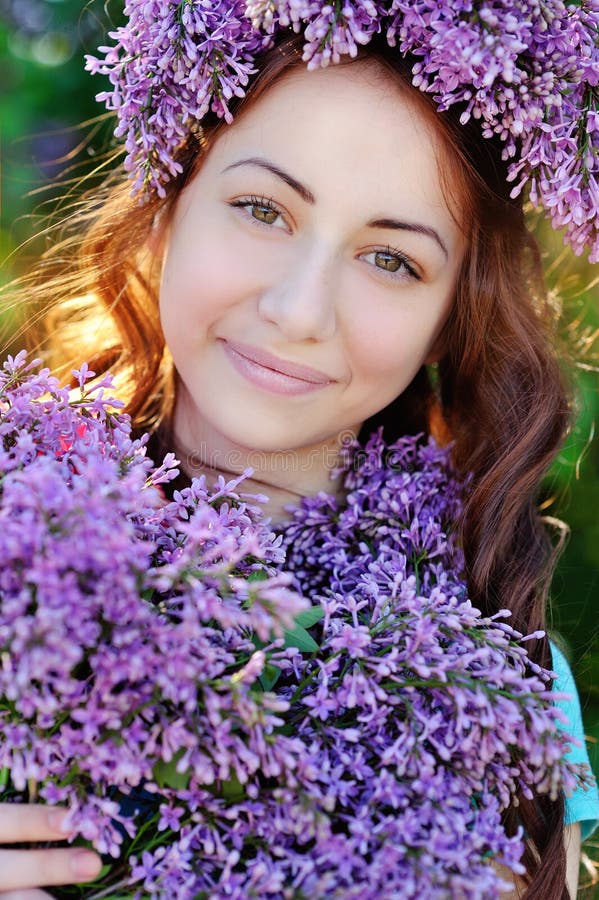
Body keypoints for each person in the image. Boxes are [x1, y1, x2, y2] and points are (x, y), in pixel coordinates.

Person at [0, 3, 598, 898]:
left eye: (390, 260)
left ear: (447, 323)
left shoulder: (502, 683)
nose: (298, 310)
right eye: (261, 209)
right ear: (166, 209)